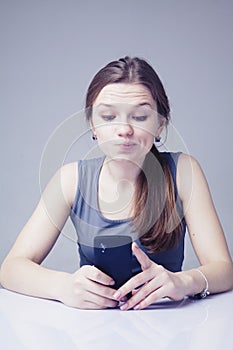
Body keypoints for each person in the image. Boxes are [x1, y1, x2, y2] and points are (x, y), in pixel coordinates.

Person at [1, 56, 233, 310]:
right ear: (92, 124)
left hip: (169, 328)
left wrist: (183, 281)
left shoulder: (184, 171)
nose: (124, 129)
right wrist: (63, 286)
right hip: (92, 331)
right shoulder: (69, 179)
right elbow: (11, 268)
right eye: (109, 116)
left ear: (160, 125)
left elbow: (223, 269)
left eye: (140, 117)